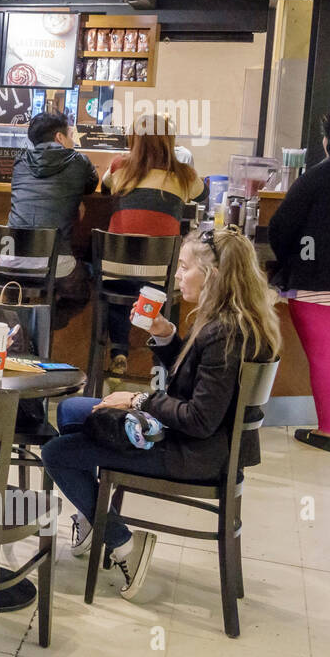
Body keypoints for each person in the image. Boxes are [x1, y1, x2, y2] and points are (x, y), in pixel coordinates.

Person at [40, 227, 280, 600]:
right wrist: (167, 336)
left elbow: (200, 419)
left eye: (185, 268)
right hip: (201, 444)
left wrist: (139, 400)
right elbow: (199, 386)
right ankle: (93, 514)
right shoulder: (233, 321)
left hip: (194, 454)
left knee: (57, 453)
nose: (178, 276)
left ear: (212, 275)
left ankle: (124, 545)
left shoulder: (224, 334)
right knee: (73, 409)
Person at [268, 106, 330, 451]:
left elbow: (281, 227)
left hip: (318, 285)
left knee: (328, 358)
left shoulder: (317, 177)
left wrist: (292, 256)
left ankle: (328, 432)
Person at [100, 117, 207, 375]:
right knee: (171, 288)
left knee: (115, 282)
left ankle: (119, 352)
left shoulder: (118, 166)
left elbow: (104, 188)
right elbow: (202, 194)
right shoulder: (184, 175)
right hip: (160, 276)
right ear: (170, 142)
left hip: (117, 271)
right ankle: (162, 363)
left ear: (133, 140)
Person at [6, 110, 101, 281]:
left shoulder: (20, 162)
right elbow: (91, 186)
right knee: (87, 277)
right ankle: (50, 306)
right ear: (60, 137)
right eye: (70, 135)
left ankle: (32, 306)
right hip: (54, 263)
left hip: (10, 258)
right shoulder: (79, 161)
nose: (72, 141)